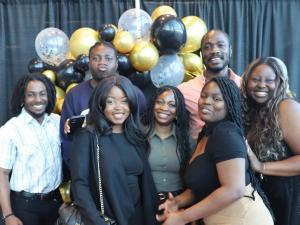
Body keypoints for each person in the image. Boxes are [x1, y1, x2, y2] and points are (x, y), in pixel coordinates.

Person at [157, 76, 273, 225]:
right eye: (203, 96)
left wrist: (183, 217)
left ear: (229, 105)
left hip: (243, 219)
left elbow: (234, 189)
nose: (207, 101)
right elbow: (205, 184)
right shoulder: (206, 133)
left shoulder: (226, 133)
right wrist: (177, 202)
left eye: (217, 99)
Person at [70, 75, 158, 225]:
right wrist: (97, 221)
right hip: (107, 219)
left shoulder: (136, 136)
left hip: (139, 217)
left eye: (124, 101)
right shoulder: (87, 136)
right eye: (110, 101)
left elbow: (144, 184)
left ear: (131, 104)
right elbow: (80, 185)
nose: (118, 107)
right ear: (101, 104)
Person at [60, 40, 147, 170]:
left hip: (126, 170)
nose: (102, 63)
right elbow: (67, 139)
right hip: (87, 169)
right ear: (89, 63)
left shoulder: (133, 93)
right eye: (96, 58)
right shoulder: (74, 94)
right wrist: (77, 169)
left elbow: (142, 132)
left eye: (108, 58)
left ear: (116, 64)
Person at [241, 57, 300, 225]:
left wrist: (261, 166)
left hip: (288, 202)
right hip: (265, 199)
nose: (262, 85)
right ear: (246, 82)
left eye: (269, 80)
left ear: (279, 83)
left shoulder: (286, 107)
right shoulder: (251, 112)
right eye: (256, 79)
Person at [0, 73, 62, 225]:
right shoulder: (10, 129)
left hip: (55, 203)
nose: (38, 100)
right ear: (22, 99)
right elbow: (2, 175)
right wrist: (8, 215)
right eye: (31, 95)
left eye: (42, 94)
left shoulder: (57, 122)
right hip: (25, 207)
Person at [178, 29, 241, 141]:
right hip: (198, 153)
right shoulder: (184, 90)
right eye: (207, 47)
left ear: (230, 51)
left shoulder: (244, 86)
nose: (214, 50)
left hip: (237, 153)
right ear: (201, 55)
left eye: (220, 45)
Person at [143, 86, 193, 199]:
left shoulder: (187, 140)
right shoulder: (139, 135)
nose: (164, 107)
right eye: (160, 102)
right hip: (145, 199)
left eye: (172, 105)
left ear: (178, 112)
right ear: (152, 106)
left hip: (178, 201)